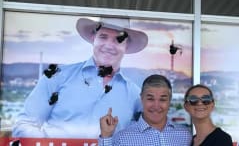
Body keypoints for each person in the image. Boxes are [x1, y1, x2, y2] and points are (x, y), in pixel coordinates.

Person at [12, 17, 148, 139]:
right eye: (103, 37)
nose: (109, 45)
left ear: (127, 45)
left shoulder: (135, 95)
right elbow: (25, 124)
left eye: (118, 39)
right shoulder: (57, 77)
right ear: (93, 38)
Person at [98, 74, 192, 146]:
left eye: (162, 99)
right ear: (142, 99)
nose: (156, 105)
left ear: (169, 101)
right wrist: (106, 136)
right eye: (150, 99)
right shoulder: (122, 138)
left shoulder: (185, 136)